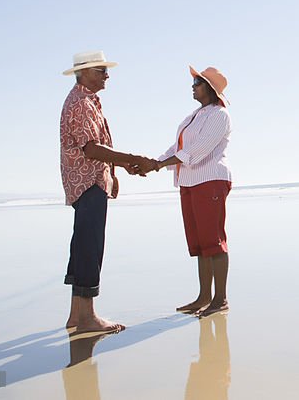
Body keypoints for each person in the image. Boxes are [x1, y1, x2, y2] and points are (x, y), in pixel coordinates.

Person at [60, 50, 157, 333]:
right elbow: (91, 148)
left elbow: (93, 147)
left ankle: (77, 315)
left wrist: (119, 167)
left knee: (82, 245)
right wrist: (131, 158)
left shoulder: (85, 100)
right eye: (101, 71)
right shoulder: (81, 102)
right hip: (88, 181)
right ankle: (87, 317)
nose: (107, 75)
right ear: (85, 73)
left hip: (88, 180)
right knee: (90, 246)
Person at [141, 66, 233, 317]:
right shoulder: (194, 115)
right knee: (199, 243)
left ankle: (220, 298)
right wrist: (153, 163)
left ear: (210, 89)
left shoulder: (219, 115)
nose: (192, 87)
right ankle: (203, 297)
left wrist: (158, 165)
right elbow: (178, 147)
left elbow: (198, 150)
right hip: (189, 182)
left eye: (197, 83)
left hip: (210, 180)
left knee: (214, 241)